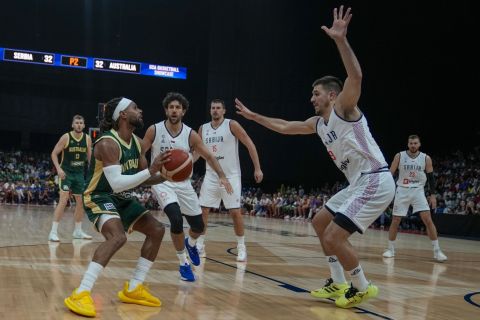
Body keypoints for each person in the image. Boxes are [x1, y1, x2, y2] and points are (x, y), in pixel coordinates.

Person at [235, 5, 395, 308]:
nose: (312, 98)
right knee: (320, 222)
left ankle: (361, 286)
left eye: (316, 93)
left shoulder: (344, 109)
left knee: (335, 236)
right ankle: (338, 283)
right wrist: (255, 117)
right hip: (358, 183)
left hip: (375, 179)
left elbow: (356, 76)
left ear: (332, 95)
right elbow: (284, 127)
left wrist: (340, 40)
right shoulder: (318, 124)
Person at [64, 97, 171, 317]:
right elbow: (116, 183)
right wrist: (151, 171)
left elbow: (140, 178)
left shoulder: (138, 143)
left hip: (121, 197)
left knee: (157, 230)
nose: (140, 110)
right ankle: (81, 292)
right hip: (99, 195)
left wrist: (166, 176)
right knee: (117, 237)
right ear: (122, 114)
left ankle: (134, 288)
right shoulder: (106, 143)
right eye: (134, 107)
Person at [143, 92, 233, 282]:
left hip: (183, 183)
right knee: (175, 219)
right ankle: (183, 263)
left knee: (199, 226)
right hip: (162, 182)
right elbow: (141, 153)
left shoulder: (190, 134)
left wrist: (222, 176)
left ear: (183, 112)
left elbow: (209, 156)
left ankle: (191, 243)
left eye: (178, 108)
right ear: (166, 110)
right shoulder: (154, 130)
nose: (174, 110)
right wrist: (145, 173)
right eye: (171, 107)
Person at [195, 99, 263, 261]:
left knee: (234, 212)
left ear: (224, 111)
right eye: (213, 108)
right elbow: (197, 152)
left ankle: (241, 247)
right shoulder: (203, 129)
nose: (215, 111)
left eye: (218, 108)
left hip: (231, 176)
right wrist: (185, 165)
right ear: (210, 110)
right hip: (211, 175)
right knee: (203, 210)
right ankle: (200, 245)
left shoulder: (232, 125)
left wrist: (258, 168)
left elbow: (249, 144)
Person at [382, 135, 447, 261]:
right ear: (408, 144)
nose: (413, 145)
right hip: (402, 190)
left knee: (428, 219)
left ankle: (437, 251)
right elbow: (390, 174)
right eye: (411, 143)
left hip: (418, 191)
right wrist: (386, 191)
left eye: (415, 143)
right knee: (395, 220)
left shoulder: (425, 158)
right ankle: (390, 249)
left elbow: (431, 178)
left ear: (419, 144)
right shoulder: (399, 156)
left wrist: (433, 195)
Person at [49, 115, 92, 242]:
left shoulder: (87, 138)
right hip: (66, 173)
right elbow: (54, 153)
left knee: (80, 202)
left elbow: (90, 159)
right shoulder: (66, 137)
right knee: (63, 200)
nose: (79, 125)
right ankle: (53, 232)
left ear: (84, 125)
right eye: (77, 122)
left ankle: (78, 231)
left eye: (81, 123)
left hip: (79, 174)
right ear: (72, 125)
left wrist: (92, 173)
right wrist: (59, 169)